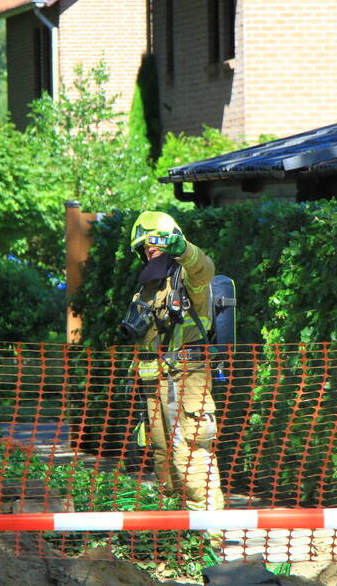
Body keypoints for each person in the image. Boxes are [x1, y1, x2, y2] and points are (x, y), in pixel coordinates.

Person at [121, 211, 225, 546]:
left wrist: (185, 250)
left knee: (191, 461)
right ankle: (180, 542)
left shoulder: (186, 276)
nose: (152, 249)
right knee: (164, 466)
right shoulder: (146, 290)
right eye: (147, 244)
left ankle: (209, 543)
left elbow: (204, 268)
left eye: (159, 242)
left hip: (188, 380)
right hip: (156, 390)